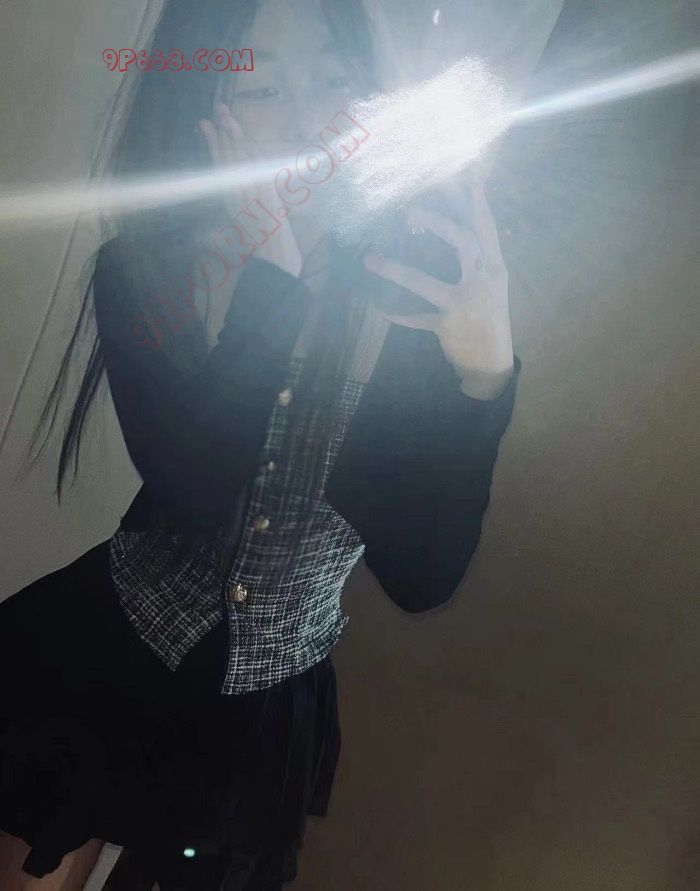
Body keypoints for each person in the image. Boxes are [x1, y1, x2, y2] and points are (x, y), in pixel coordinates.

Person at [0, 0, 521, 888]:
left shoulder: (419, 295)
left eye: (336, 79)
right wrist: (270, 281)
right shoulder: (150, 267)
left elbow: (421, 574)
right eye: (264, 86)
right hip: (103, 656)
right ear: (204, 105)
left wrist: (484, 373)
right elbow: (196, 485)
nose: (314, 117)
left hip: (261, 715)